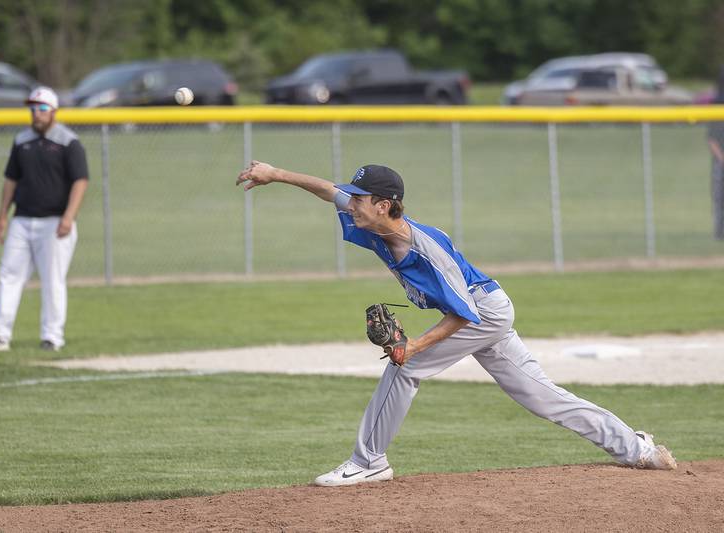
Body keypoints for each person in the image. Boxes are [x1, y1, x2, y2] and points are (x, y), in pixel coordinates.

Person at [236, 161, 677, 487]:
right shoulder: (371, 219)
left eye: (360, 197)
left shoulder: (425, 251)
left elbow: (465, 314)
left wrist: (415, 347)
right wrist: (277, 174)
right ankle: (638, 449)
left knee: (404, 368)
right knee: (542, 397)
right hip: (485, 308)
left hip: (483, 311)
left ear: (385, 205)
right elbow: (327, 189)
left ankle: (369, 461)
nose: (351, 202)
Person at [0, 87, 89, 352]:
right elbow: (11, 180)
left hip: (54, 222)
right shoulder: (22, 140)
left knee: (52, 280)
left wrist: (69, 217)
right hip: (22, 220)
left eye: (41, 108)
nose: (36, 114)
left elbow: (80, 181)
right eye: (33, 108)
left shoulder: (68, 141)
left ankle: (52, 336)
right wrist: (3, 216)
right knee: (9, 275)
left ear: (53, 111)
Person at [707, 65, 724, 240]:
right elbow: (711, 138)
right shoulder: (717, 104)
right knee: (719, 197)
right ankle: (720, 233)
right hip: (720, 161)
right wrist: (722, 158)